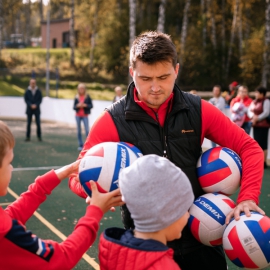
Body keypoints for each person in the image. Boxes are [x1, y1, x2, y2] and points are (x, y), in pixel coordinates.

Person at [69, 31, 265, 270]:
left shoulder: (198, 110)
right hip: (146, 247)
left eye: (163, 77)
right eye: (144, 78)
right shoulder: (112, 120)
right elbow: (76, 173)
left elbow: (250, 148)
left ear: (176, 70)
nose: (154, 87)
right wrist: (90, 189)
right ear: (132, 73)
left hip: (202, 242)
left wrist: (247, 198)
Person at [0, 120, 123, 270]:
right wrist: (95, 212)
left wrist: (48, 181)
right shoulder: (7, 235)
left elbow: (10, 216)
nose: (11, 168)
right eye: (9, 162)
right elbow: (62, 258)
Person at [98, 154, 194, 270]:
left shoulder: (113, 251)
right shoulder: (165, 267)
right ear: (166, 214)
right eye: (183, 209)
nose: (188, 215)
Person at [247, 86, 270, 169]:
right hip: (255, 125)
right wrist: (253, 117)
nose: (256, 94)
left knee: (263, 144)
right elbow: (249, 110)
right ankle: (258, 161)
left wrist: (258, 118)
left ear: (262, 93)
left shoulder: (266, 101)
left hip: (263, 126)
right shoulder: (254, 101)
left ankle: (264, 162)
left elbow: (266, 112)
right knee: (257, 143)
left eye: (257, 92)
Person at [73, 83, 93, 151]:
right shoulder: (76, 97)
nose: (81, 90)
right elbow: (74, 107)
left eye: (82, 88)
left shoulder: (87, 97)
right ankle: (80, 144)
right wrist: (77, 106)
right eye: (80, 89)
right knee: (79, 130)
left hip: (85, 115)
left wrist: (85, 105)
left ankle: (88, 145)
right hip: (78, 115)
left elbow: (91, 105)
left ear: (84, 89)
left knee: (87, 130)